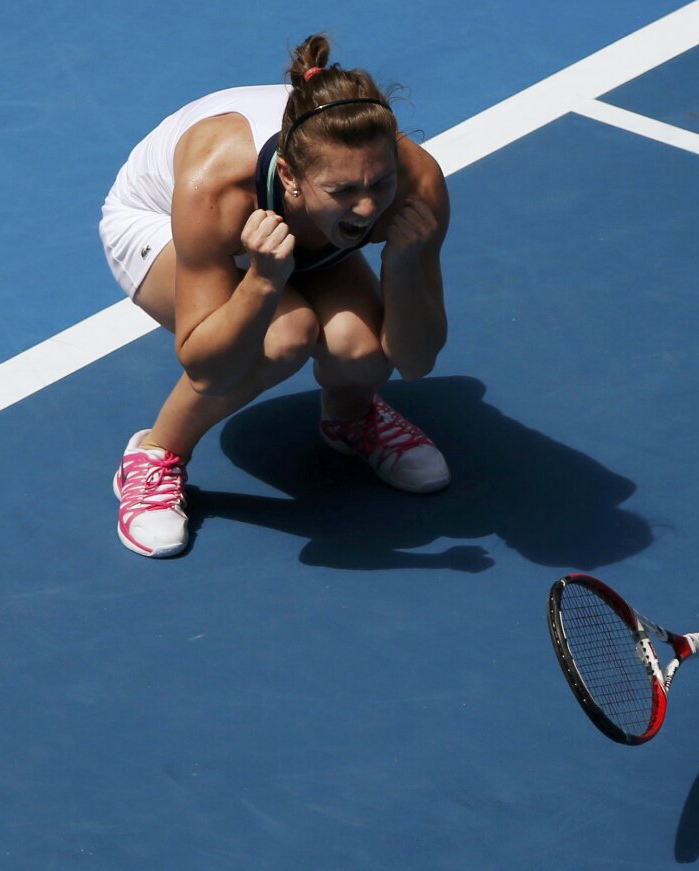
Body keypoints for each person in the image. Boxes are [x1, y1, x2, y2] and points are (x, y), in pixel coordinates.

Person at [99, 34, 451, 558]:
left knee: (359, 348)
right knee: (286, 333)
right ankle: (154, 455)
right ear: (288, 175)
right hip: (159, 222)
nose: (366, 208)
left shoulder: (415, 186)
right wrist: (263, 281)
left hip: (300, 231)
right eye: (343, 191)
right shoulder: (216, 182)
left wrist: (400, 267)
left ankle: (350, 417)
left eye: (379, 184)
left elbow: (417, 362)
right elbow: (208, 369)